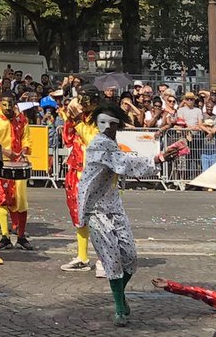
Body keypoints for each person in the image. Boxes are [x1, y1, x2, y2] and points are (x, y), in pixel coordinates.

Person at [77, 104, 178, 327]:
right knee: (112, 259)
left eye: (112, 124)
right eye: (102, 123)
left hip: (115, 207)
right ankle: (119, 307)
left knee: (130, 258)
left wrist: (158, 159)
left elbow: (124, 161)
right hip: (96, 210)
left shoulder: (112, 144)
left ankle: (119, 296)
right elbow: (124, 163)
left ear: (118, 126)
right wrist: (158, 158)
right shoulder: (98, 145)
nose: (106, 128)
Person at [59, 89, 101, 273]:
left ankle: (103, 258)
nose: (81, 104)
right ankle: (82, 257)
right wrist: (70, 118)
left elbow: (93, 141)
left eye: (85, 100)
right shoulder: (81, 116)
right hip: (76, 170)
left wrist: (77, 121)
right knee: (79, 214)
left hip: (94, 174)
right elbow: (68, 139)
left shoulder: (102, 117)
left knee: (98, 218)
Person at [0, 92, 33, 251]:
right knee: (1, 200)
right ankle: (4, 236)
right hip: (0, 165)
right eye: (4, 104)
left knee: (21, 201)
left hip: (18, 166)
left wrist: (24, 149)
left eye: (10, 104)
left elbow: (27, 138)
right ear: (0, 104)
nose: (8, 108)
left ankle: (21, 237)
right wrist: (4, 151)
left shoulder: (22, 119)